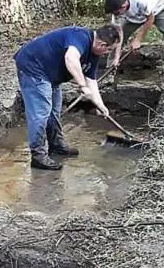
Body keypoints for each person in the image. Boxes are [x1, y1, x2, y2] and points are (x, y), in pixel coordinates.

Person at [13, 24, 121, 171]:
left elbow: (92, 81)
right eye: (108, 49)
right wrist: (82, 86)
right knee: (41, 113)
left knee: (54, 111)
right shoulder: (81, 37)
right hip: (33, 66)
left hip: (51, 75)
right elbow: (71, 58)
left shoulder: (94, 53)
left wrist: (101, 106)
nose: (106, 53)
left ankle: (56, 145)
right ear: (102, 44)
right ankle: (38, 155)